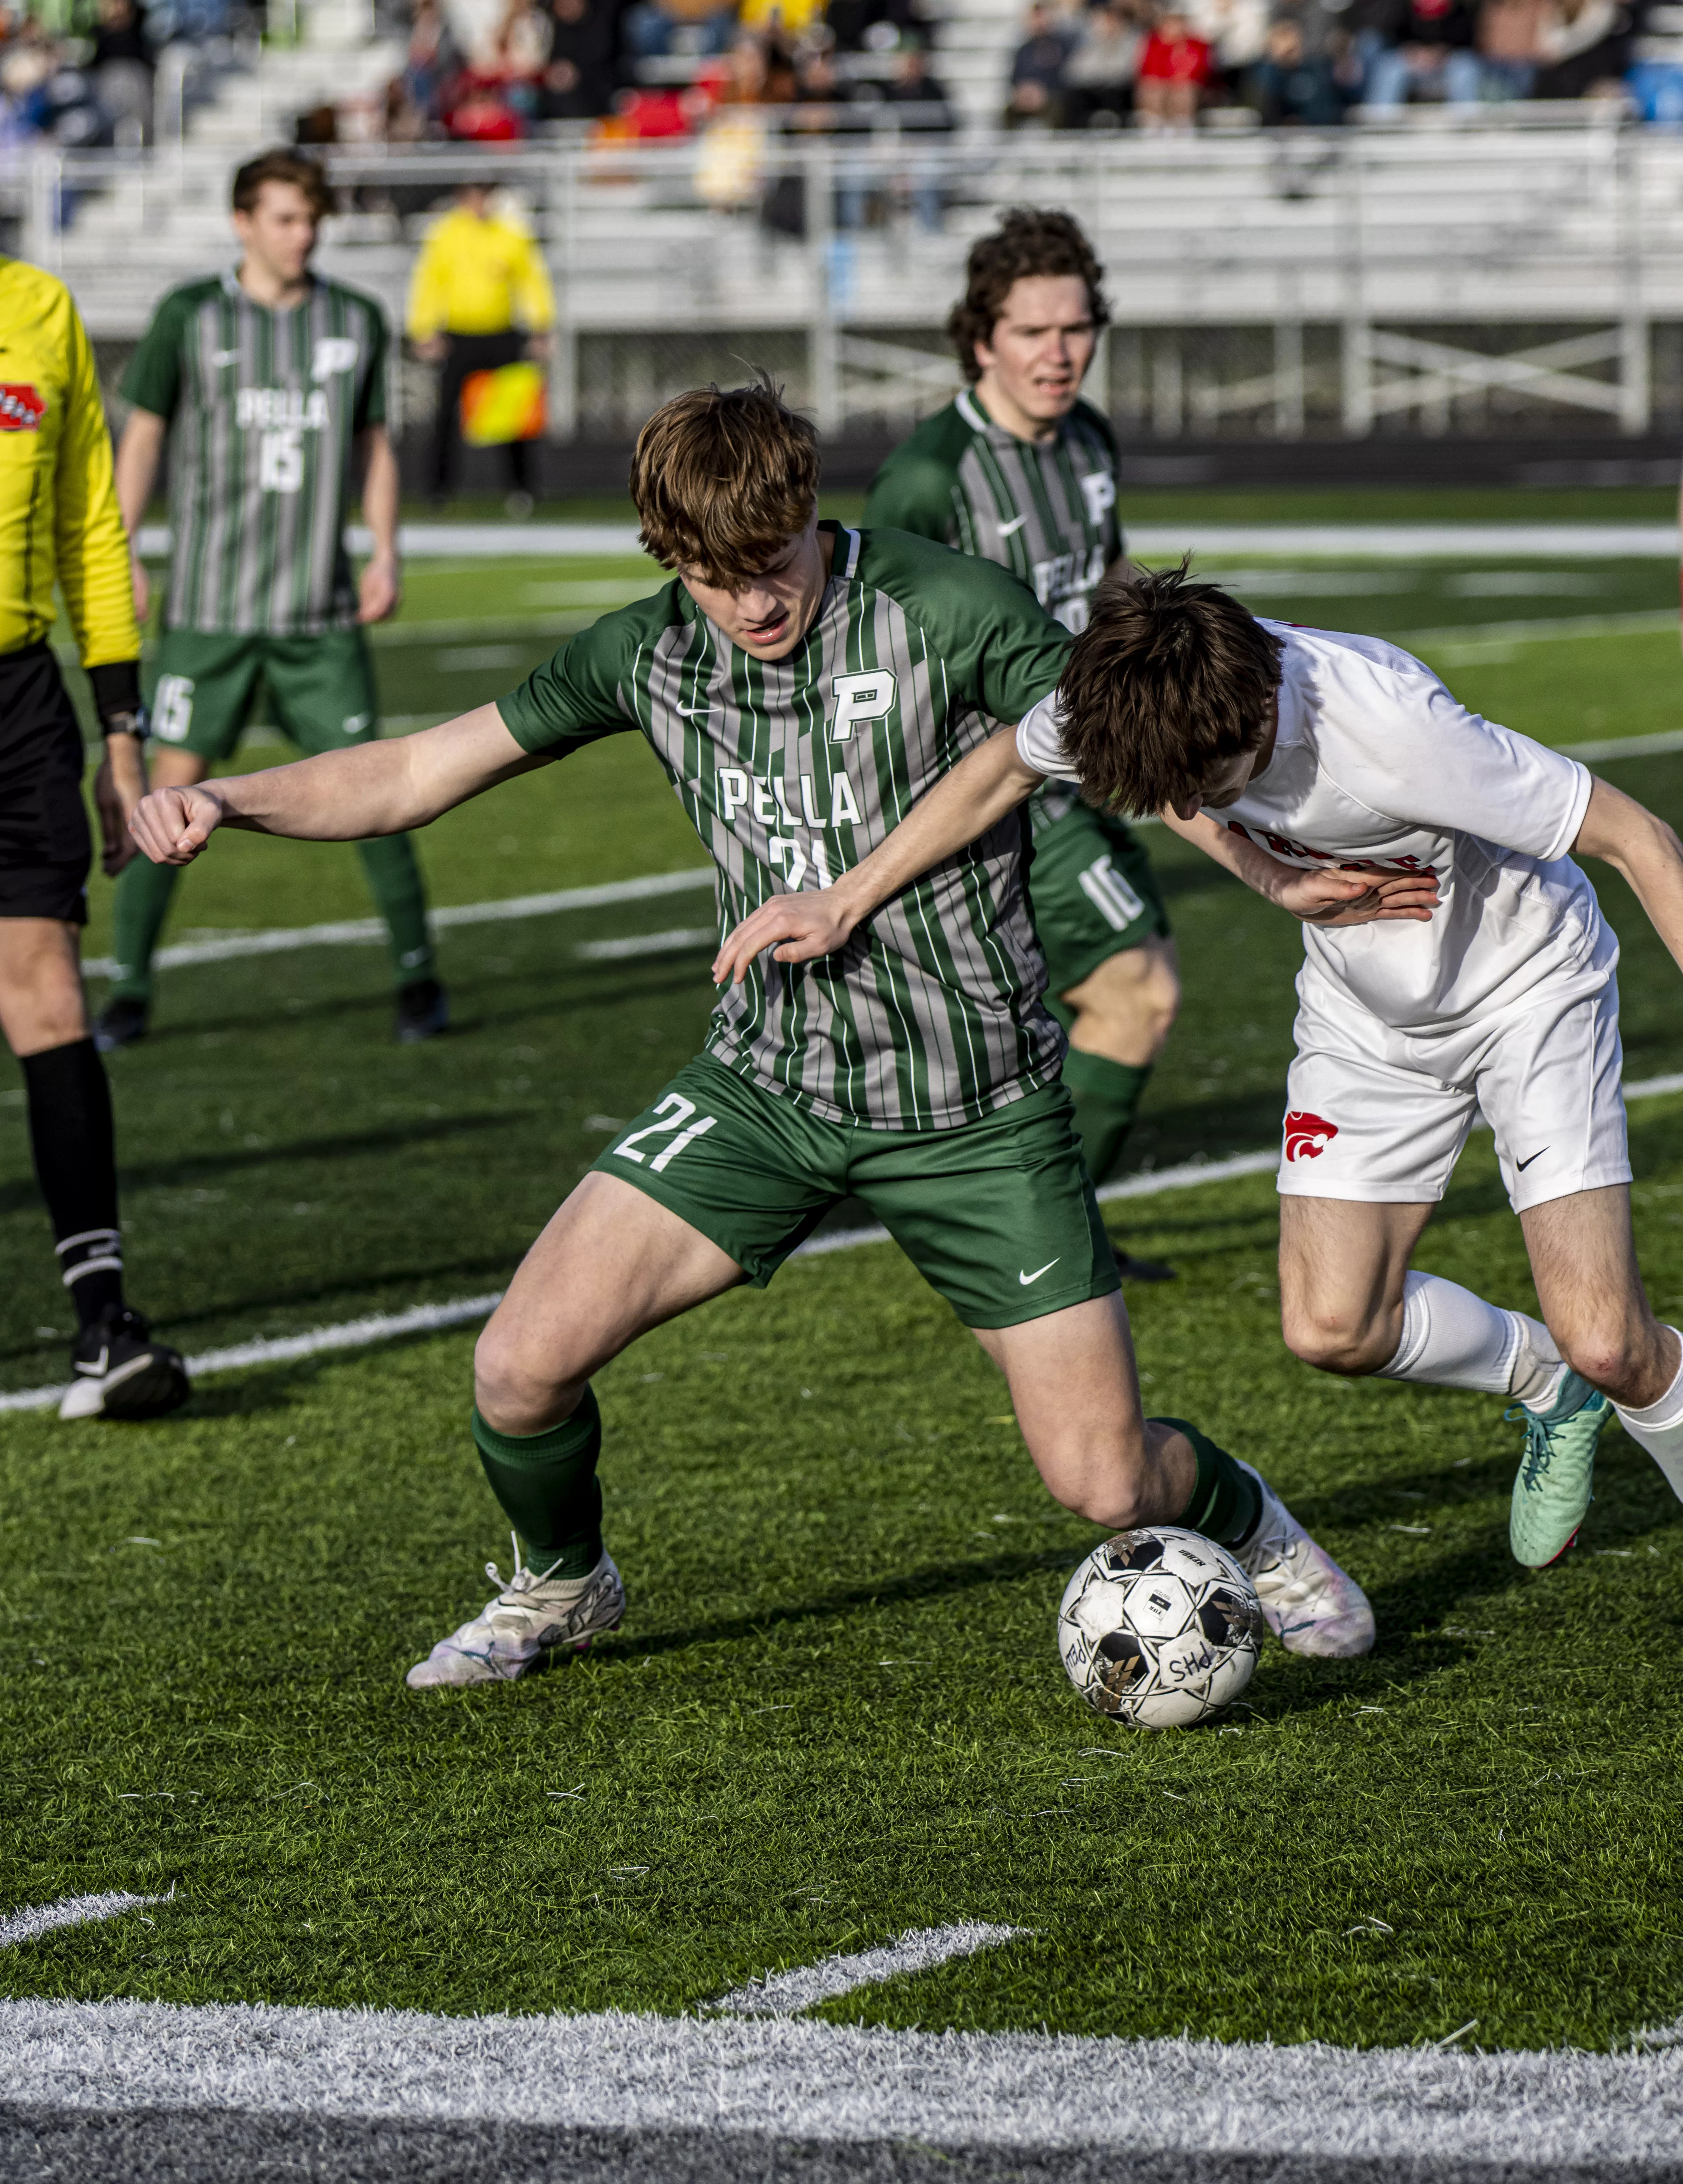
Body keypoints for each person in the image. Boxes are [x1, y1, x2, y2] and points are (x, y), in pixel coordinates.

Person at [127, 379, 1379, 1687]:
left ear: (807, 514)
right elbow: (411, 772)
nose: (756, 604)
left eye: (773, 564)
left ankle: (1253, 1523)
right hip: (764, 1086)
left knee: (1106, 1478)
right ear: (667, 557)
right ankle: (563, 1581)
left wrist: (1261, 870)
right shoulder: (644, 652)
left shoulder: (939, 607)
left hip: (971, 1106)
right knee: (517, 1367)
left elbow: (1098, 725)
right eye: (716, 577)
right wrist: (223, 793)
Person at [794, 561, 1683, 1568]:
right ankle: (1546, 1388)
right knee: (1333, 1325)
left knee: (1611, 1341)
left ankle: (1608, 1378)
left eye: (1201, 783)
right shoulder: (1139, 689)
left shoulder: (1390, 732)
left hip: (1530, 988)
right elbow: (1005, 764)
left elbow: (1642, 840)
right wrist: (844, 898)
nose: (1182, 801)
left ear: (1256, 715)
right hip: (1367, 1016)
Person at [863, 211, 1179, 1272]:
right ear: (979, 339)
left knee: (1078, 1008)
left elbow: (1105, 571)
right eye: (1031, 331)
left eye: (1075, 328)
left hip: (1089, 762)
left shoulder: (1088, 439)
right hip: (1001, 784)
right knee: (1134, 993)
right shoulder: (929, 475)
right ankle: (1044, 1253)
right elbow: (875, 644)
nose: (1058, 352)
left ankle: (1035, 1224)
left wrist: (1169, 658)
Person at [98, 148, 447, 1053]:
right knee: (166, 799)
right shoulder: (190, 316)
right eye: (287, 218)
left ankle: (418, 979)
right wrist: (121, 548)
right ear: (243, 221)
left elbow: (373, 444)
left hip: (315, 618)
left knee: (377, 795)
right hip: (206, 618)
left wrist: (385, 550)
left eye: (312, 220)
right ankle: (128, 991)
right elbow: (142, 440)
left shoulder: (354, 320)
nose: (304, 235)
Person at [0, 251, 189, 1420]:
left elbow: (91, 532)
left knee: (49, 993)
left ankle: (102, 1328)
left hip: (21, 703)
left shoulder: (39, 308)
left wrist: (123, 736)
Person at [406, 180, 555, 514]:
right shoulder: (445, 235)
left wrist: (541, 325)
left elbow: (531, 279)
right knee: (445, 417)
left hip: (502, 333)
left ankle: (521, 490)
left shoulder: (510, 234)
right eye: (472, 195)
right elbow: (429, 281)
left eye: (484, 195)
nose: (479, 202)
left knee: (513, 417)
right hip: (458, 336)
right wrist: (423, 329)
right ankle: (438, 491)